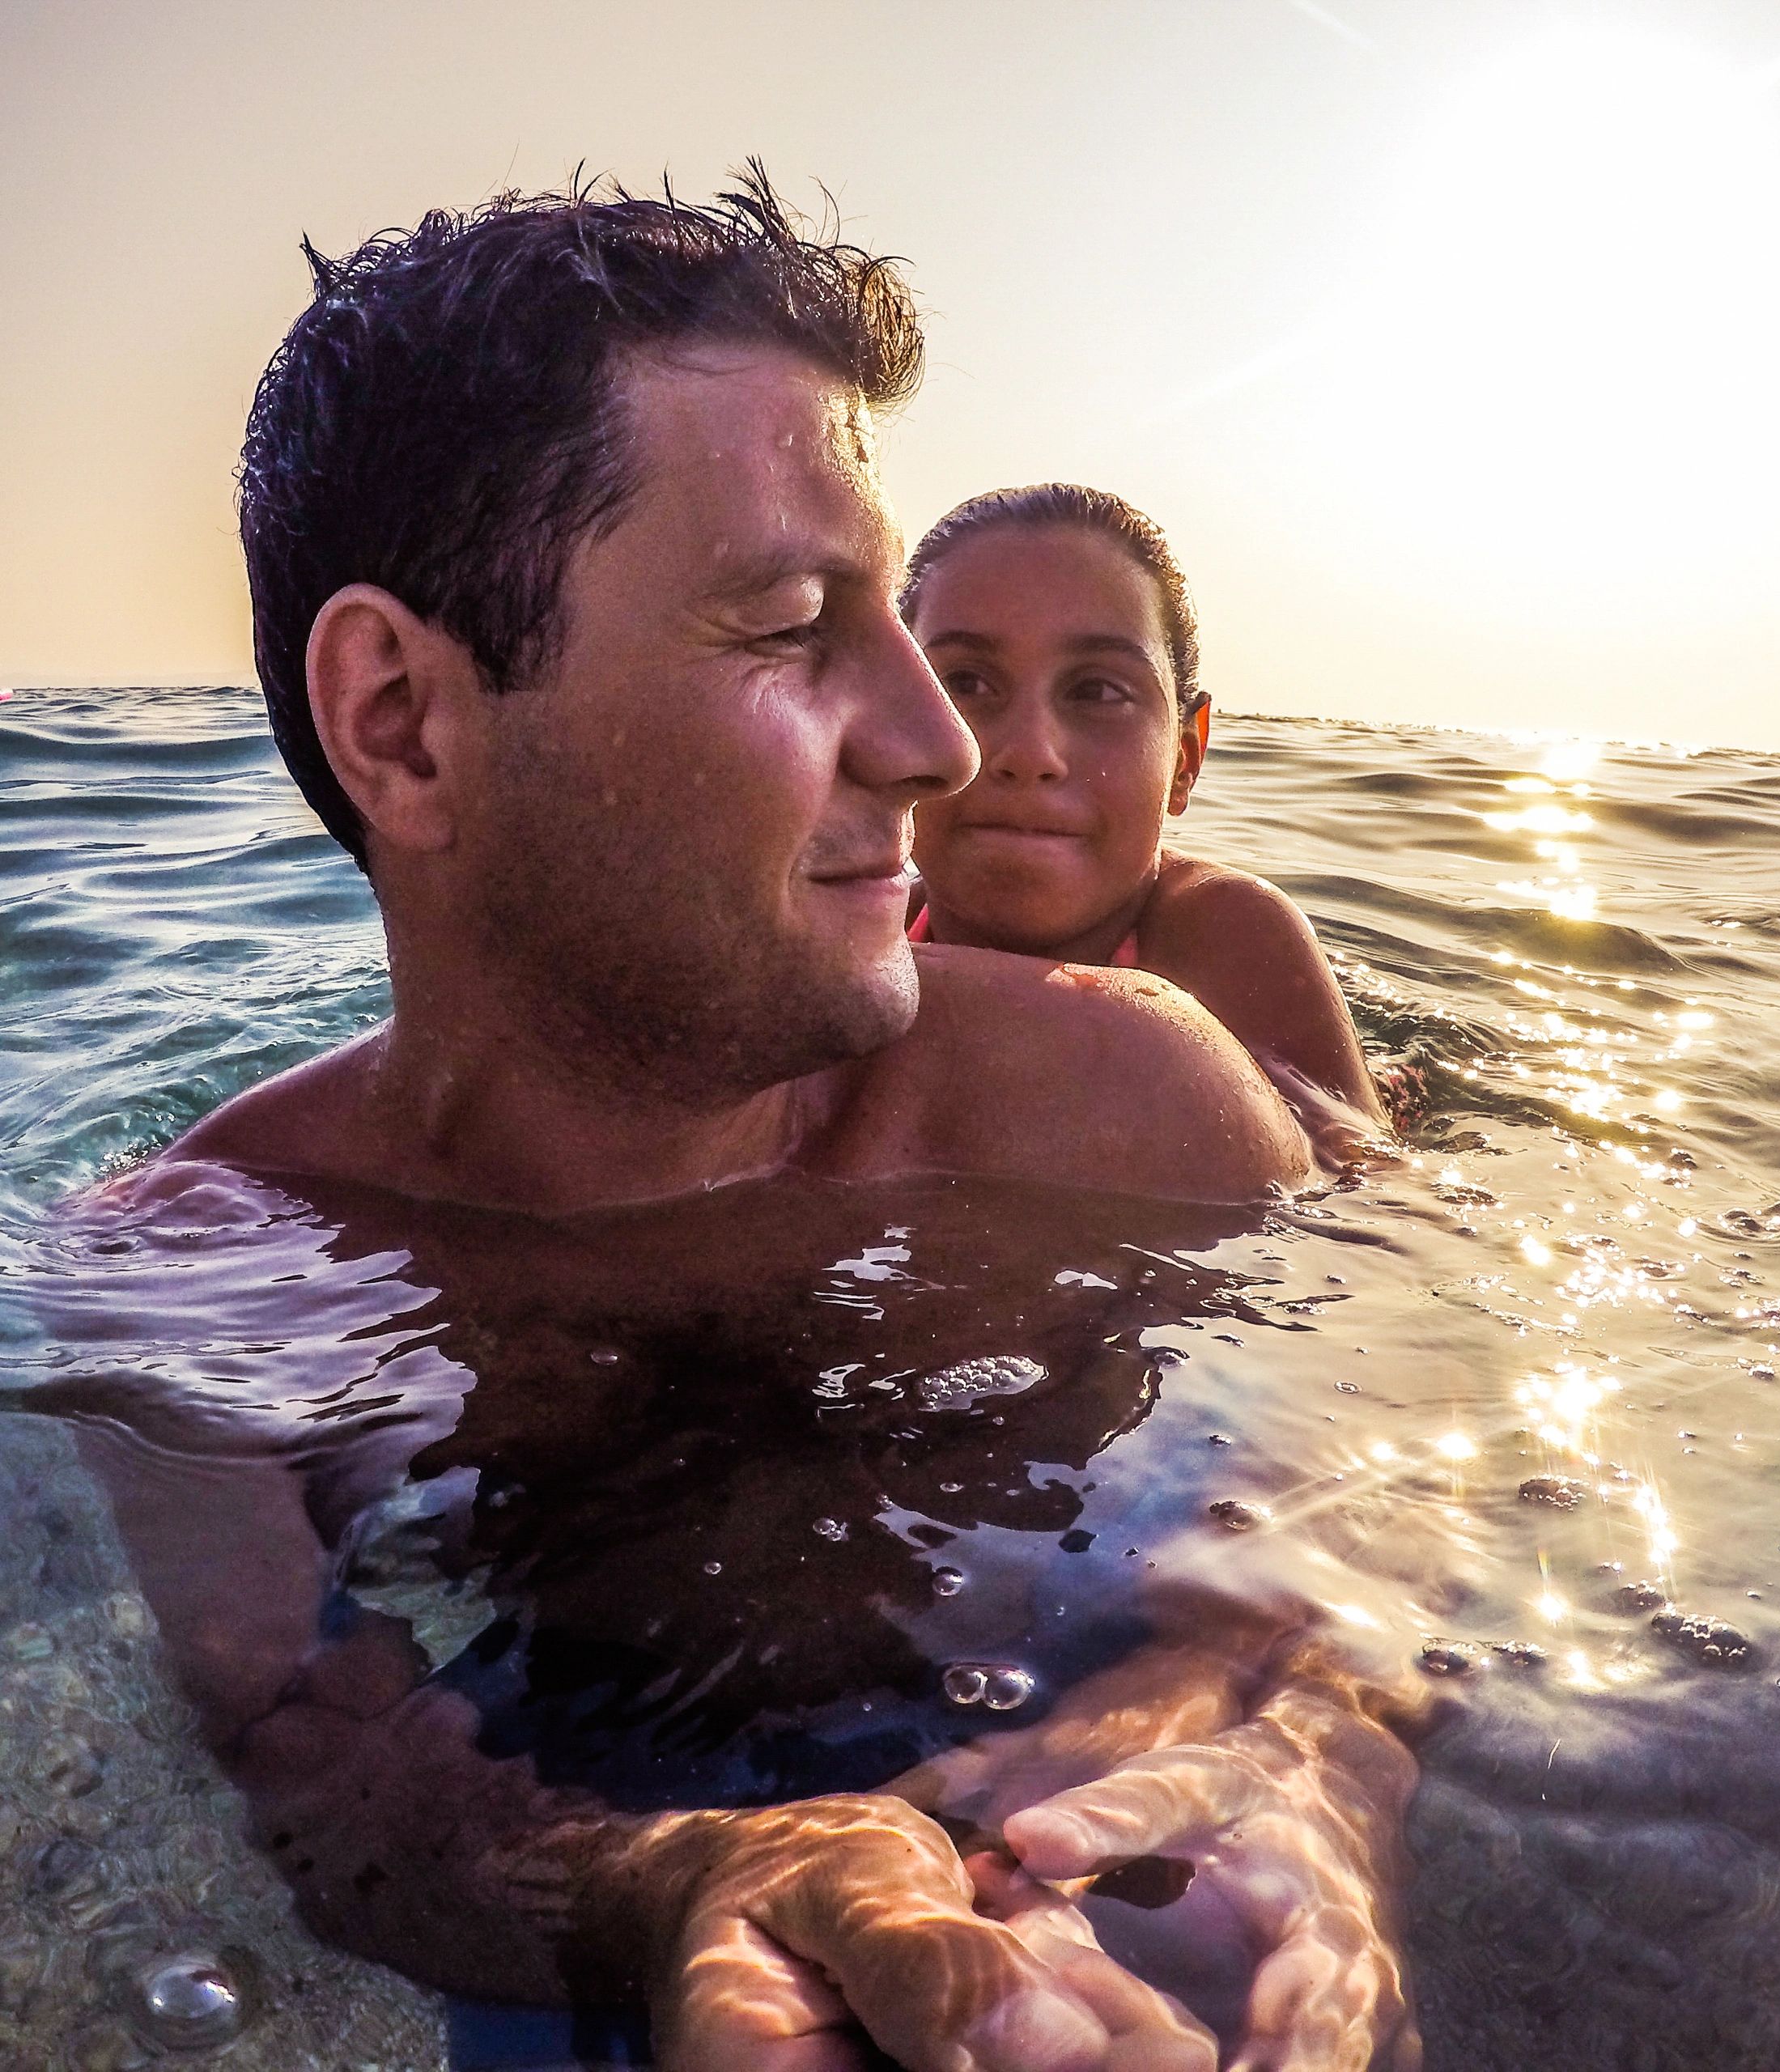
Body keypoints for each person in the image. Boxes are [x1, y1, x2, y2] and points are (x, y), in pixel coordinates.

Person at [62, 171, 1421, 2070]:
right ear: (403, 721)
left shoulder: (1122, 1088)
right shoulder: (197, 1272)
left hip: (1068, 1748)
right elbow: (337, 1779)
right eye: (795, 625)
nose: (939, 745)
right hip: (613, 1822)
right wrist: (678, 1882)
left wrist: (1279, 1730)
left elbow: (1382, 1497)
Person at [898, 486, 1391, 1146]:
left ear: (1185, 758)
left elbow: (1367, 1209)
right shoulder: (873, 930)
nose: (1029, 753)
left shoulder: (1224, 937)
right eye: (965, 683)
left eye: (1096, 691)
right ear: (889, 721)